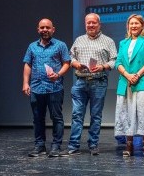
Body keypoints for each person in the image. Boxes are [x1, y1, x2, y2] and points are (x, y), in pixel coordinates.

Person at [59, 13, 117, 156]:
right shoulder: (79, 40)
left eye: (93, 23)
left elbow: (115, 60)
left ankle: (93, 145)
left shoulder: (108, 41)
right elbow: (70, 57)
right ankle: (73, 146)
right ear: (85, 24)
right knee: (76, 115)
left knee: (96, 116)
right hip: (80, 82)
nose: (91, 25)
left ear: (99, 24)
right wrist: (76, 64)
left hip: (99, 82)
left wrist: (103, 67)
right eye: (88, 23)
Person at [22, 18, 71, 158]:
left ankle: (56, 146)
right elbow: (27, 64)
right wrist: (25, 83)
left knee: (57, 118)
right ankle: (39, 146)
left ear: (53, 29)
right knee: (37, 118)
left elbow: (66, 63)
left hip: (54, 87)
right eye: (42, 27)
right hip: (36, 88)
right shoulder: (32, 46)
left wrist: (58, 74)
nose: (45, 30)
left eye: (47, 27)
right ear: (38, 29)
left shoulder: (60, 45)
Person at [114, 14, 144, 158]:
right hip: (125, 82)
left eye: (136, 23)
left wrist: (137, 75)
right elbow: (118, 62)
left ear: (142, 25)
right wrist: (127, 75)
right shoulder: (123, 43)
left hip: (143, 81)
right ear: (128, 26)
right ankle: (129, 144)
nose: (133, 26)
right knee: (126, 114)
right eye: (131, 23)